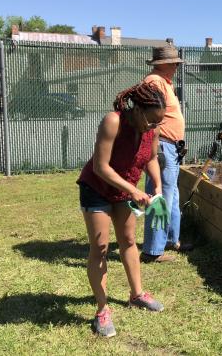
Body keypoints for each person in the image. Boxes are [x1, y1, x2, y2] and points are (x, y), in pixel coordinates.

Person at [77, 82, 167, 337]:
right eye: (150, 120)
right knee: (101, 248)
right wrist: (134, 190)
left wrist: (157, 187)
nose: (153, 126)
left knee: (128, 240)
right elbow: (100, 167)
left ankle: (136, 295)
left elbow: (150, 158)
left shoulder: (152, 129)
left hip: (124, 190)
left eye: (157, 122)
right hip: (97, 189)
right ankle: (102, 310)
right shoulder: (113, 121)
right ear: (137, 109)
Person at [141, 45, 192, 263]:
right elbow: (148, 117)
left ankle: (171, 240)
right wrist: (156, 148)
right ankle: (153, 250)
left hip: (171, 146)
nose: (176, 67)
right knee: (159, 196)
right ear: (162, 64)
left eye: (176, 63)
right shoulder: (154, 82)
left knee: (172, 195)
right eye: (173, 63)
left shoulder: (164, 83)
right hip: (161, 145)